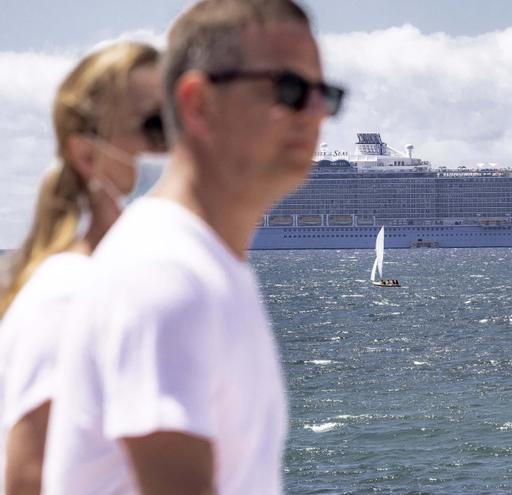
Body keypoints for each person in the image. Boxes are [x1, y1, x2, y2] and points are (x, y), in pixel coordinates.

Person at [43, 1, 343, 494]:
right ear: (198, 103)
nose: (315, 114)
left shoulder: (205, 264)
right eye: (288, 89)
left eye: (325, 95)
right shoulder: (164, 275)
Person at [0, 41, 164, 495]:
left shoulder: (123, 283)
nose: (174, 145)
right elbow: (27, 481)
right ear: (87, 155)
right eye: (154, 126)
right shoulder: (70, 297)